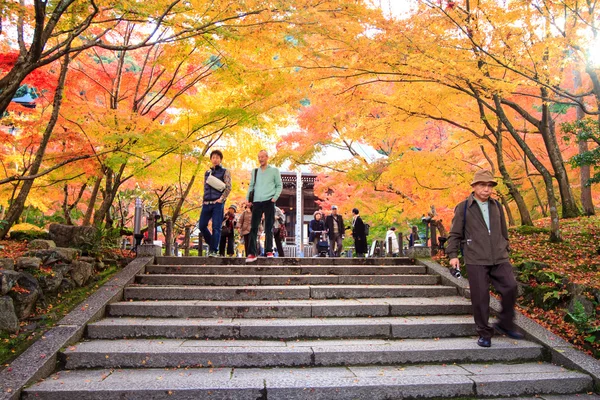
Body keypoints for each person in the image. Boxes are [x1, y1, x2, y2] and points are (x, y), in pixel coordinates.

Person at [446, 169, 523, 348]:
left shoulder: (497, 206)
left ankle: (505, 323)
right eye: (482, 185)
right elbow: (455, 233)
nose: (486, 189)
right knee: (480, 297)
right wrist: (452, 255)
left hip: (499, 256)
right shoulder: (464, 207)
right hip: (476, 258)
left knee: (510, 287)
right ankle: (484, 333)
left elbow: (504, 231)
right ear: (474, 186)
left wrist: (506, 247)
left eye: (489, 185)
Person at [245, 150, 283, 262]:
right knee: (254, 227)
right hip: (256, 201)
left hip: (269, 201)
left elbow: (279, 185)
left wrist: (275, 197)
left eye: (262, 157)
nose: (260, 159)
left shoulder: (274, 171)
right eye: (259, 157)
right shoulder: (255, 171)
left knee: (268, 227)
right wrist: (248, 199)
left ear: (267, 157)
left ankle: (269, 250)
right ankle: (252, 253)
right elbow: (251, 186)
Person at [198, 150, 231, 257]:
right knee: (202, 225)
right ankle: (213, 243)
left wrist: (221, 199)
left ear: (220, 159)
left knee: (216, 227)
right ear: (211, 159)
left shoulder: (225, 171)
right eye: (213, 157)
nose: (215, 159)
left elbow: (228, 187)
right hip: (206, 203)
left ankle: (213, 250)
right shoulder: (207, 173)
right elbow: (205, 187)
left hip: (218, 203)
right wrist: (203, 199)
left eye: (217, 157)